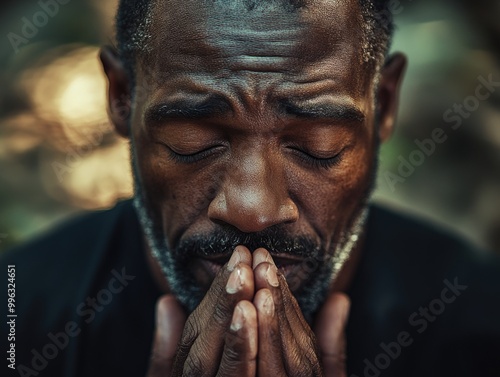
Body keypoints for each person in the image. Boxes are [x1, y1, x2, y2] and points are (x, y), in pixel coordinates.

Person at [1, 0, 500, 376]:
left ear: (384, 105)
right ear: (121, 98)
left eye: (317, 145)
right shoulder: (17, 316)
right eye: (192, 142)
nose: (254, 209)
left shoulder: (480, 323)